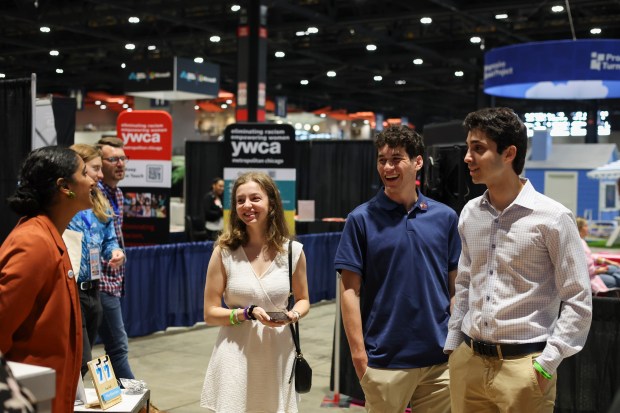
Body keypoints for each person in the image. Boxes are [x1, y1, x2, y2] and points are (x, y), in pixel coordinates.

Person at [444, 107, 592, 412]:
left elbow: (578, 300)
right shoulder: (471, 213)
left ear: (509, 153)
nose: (467, 158)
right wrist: (453, 345)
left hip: (524, 369)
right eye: (469, 147)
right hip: (468, 362)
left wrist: (545, 365)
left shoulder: (553, 218)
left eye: (478, 148)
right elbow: (465, 282)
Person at [334, 125, 461, 413]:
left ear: (417, 162)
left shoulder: (445, 217)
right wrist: (359, 357)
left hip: (440, 361)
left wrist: (455, 345)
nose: (388, 167)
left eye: (396, 158)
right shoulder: (360, 219)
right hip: (384, 361)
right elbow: (349, 291)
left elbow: (456, 287)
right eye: (382, 160)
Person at [200, 171, 310, 412]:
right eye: (240, 200)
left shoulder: (293, 252)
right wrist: (245, 313)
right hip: (235, 354)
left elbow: (303, 300)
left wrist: (294, 315)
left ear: (271, 203)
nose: (247, 205)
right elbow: (209, 312)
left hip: (278, 354)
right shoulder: (224, 252)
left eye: (255, 198)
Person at [0, 146, 95, 412]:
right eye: (84, 172)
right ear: (65, 187)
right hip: (31, 399)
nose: (92, 180)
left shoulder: (50, 236)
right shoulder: (34, 242)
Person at [67, 144, 126, 376]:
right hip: (71, 289)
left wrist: (115, 252)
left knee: (86, 360)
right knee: (80, 361)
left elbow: (109, 240)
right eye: (95, 169)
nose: (100, 175)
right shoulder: (64, 203)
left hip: (94, 289)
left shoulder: (100, 201)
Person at [96, 136, 135, 380]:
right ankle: (140, 402)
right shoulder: (93, 195)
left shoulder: (117, 195)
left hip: (114, 280)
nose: (120, 164)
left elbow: (112, 239)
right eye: (113, 159)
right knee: (118, 348)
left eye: (123, 158)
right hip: (98, 282)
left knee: (110, 348)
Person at [576, 217, 620, 292]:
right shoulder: (580, 243)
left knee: (615, 268)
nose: (587, 228)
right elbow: (587, 270)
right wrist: (601, 270)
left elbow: (591, 257)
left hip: (593, 272)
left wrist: (609, 262)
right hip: (591, 278)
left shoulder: (581, 241)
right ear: (580, 228)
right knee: (616, 280)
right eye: (586, 226)